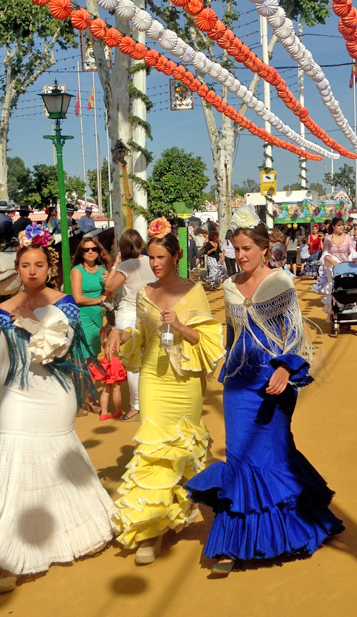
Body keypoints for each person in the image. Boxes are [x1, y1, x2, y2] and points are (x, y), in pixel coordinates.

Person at [185, 210, 344, 574]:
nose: (240, 255)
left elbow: (294, 333)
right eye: (235, 248)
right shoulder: (227, 286)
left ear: (263, 248)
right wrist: (225, 366)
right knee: (240, 456)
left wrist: (287, 369)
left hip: (276, 378)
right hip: (240, 381)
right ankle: (230, 545)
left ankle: (303, 523)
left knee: (274, 451)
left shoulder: (282, 282)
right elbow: (231, 332)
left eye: (246, 248)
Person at [0, 238, 116, 592]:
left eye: (39, 266)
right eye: (26, 266)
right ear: (17, 269)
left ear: (50, 269)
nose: (32, 271)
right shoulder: (2, 309)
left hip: (54, 392)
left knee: (58, 460)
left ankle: (71, 528)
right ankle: (11, 553)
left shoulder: (65, 303)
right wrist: (1, 394)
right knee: (15, 463)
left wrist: (29, 322)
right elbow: (3, 357)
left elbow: (59, 350)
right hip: (18, 393)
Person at [104, 224, 224, 565]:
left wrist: (181, 326)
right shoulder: (144, 293)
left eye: (161, 257)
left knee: (183, 446)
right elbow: (140, 334)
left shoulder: (194, 290)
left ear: (176, 257)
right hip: (154, 377)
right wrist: (121, 335)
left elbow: (207, 341)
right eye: (151, 257)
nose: (155, 264)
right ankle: (152, 530)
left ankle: (204, 516)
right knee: (155, 448)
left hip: (185, 379)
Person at [102, 229, 155, 422]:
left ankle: (136, 405)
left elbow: (109, 287)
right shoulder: (151, 261)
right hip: (150, 313)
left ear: (121, 247)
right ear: (141, 244)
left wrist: (116, 265)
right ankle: (151, 401)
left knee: (133, 363)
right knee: (150, 357)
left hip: (129, 314)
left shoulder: (126, 265)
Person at [70, 235, 113, 413]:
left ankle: (89, 397)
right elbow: (78, 298)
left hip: (96, 317)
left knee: (92, 359)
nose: (90, 252)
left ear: (98, 251)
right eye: (86, 249)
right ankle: (76, 400)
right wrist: (100, 299)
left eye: (93, 249)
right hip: (82, 316)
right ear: (81, 252)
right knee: (79, 360)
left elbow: (110, 294)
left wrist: (108, 285)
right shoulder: (77, 271)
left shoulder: (103, 270)